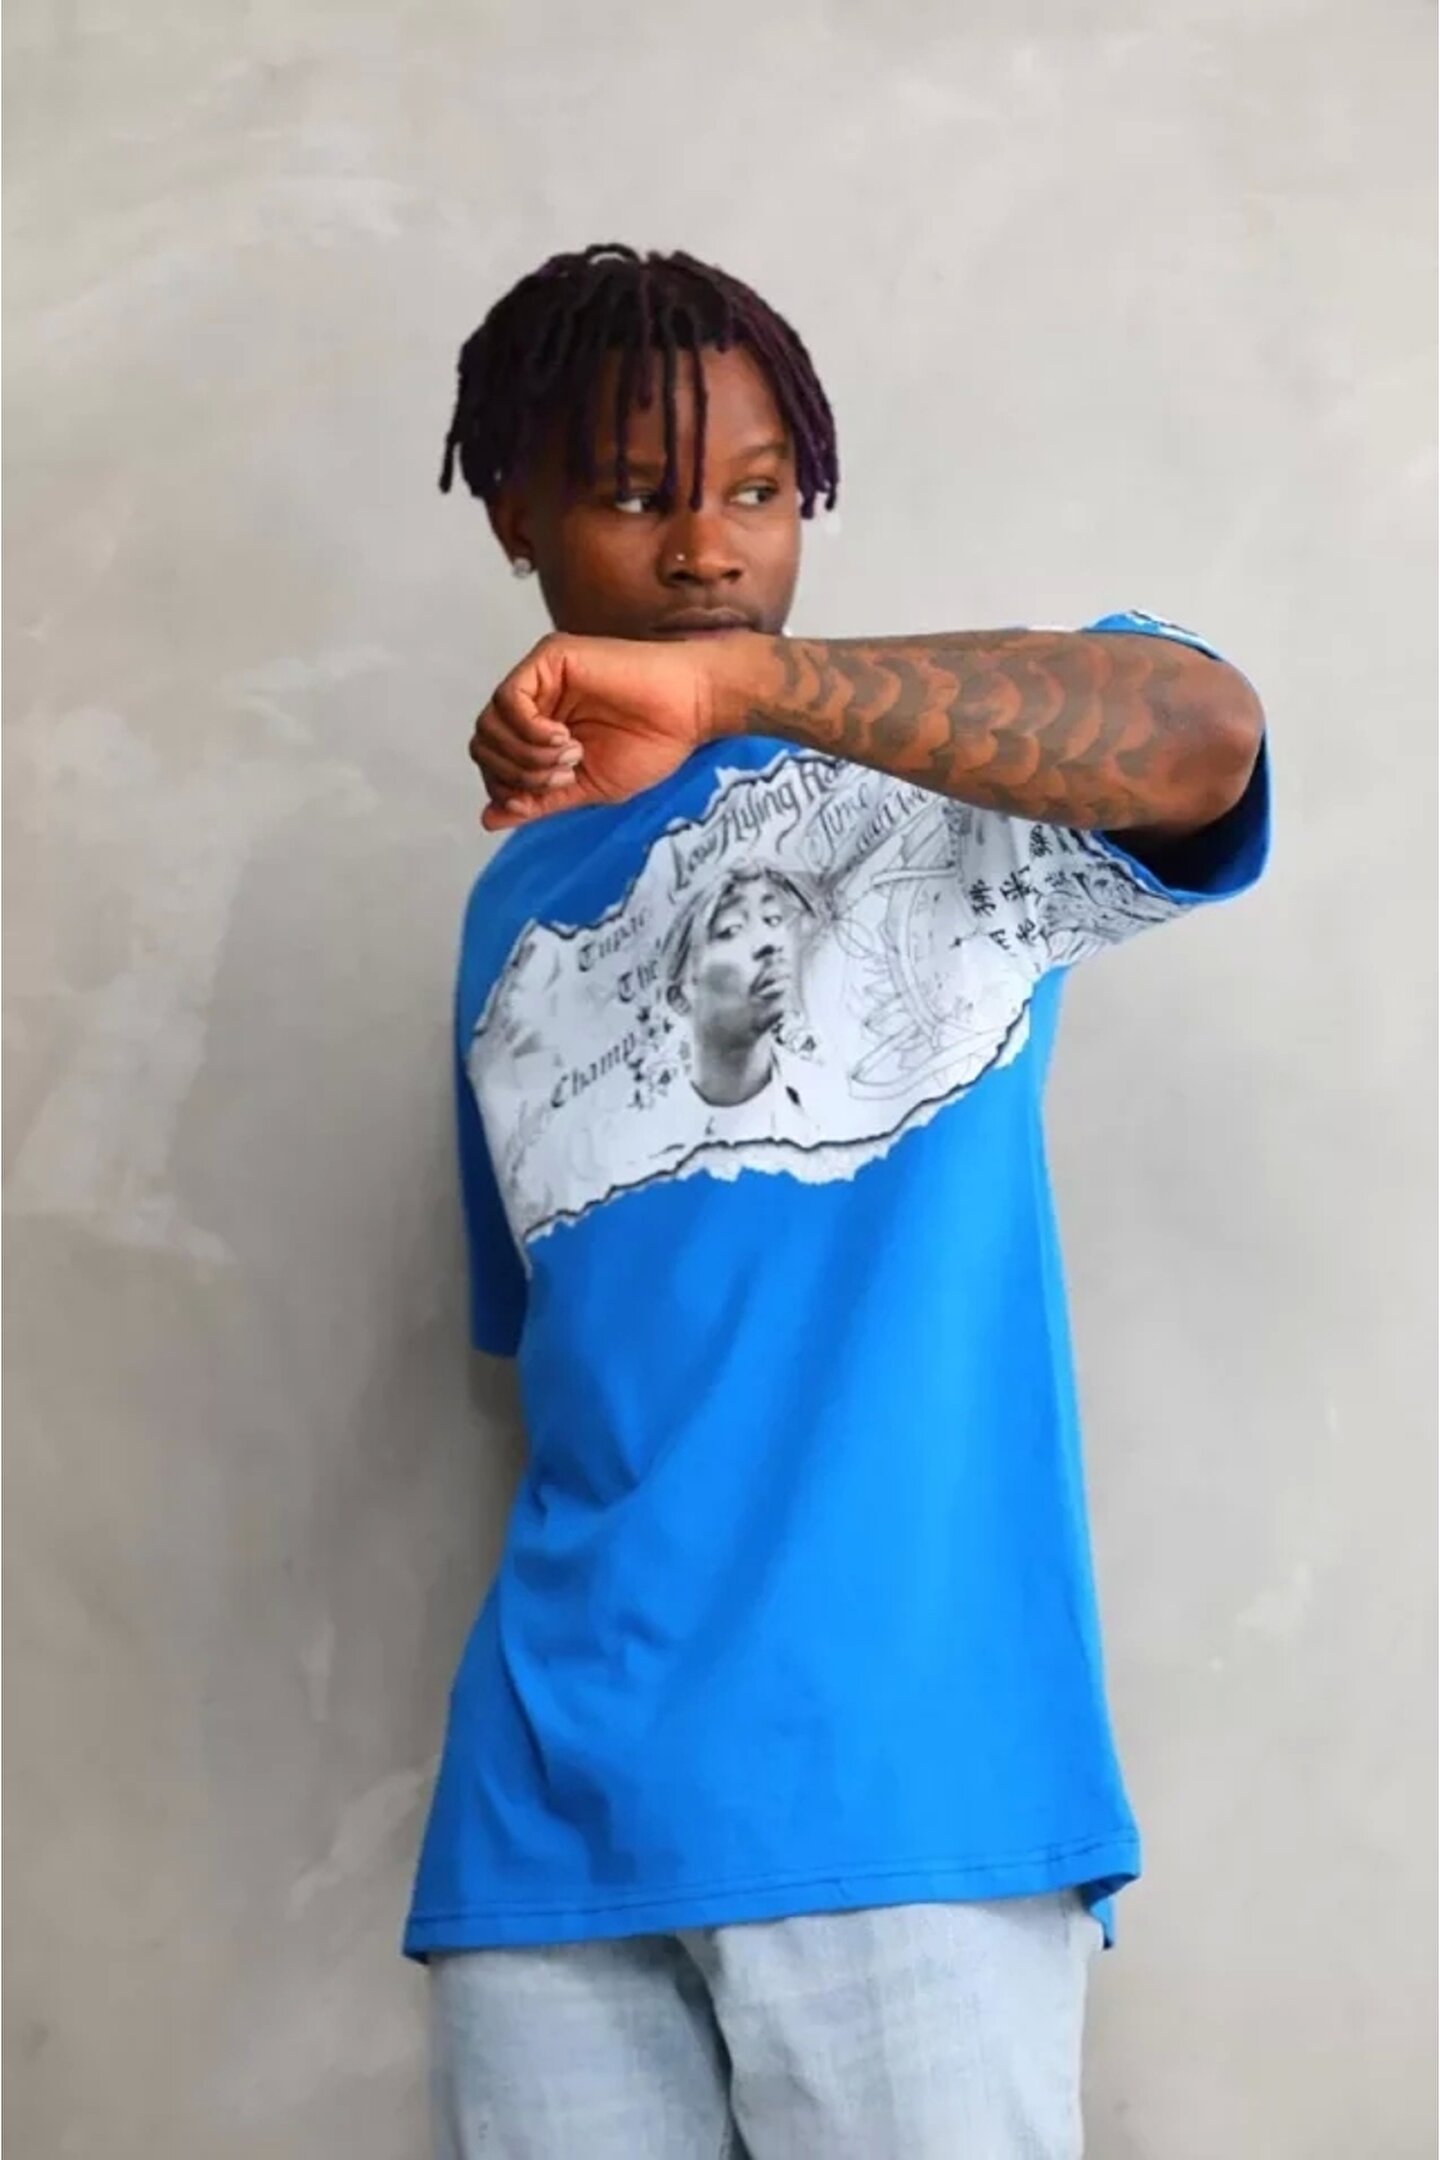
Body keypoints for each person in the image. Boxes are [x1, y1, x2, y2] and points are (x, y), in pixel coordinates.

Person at [407, 243, 1268, 2159]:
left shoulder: (925, 794)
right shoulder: (504, 921)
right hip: (546, 1829)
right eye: (636, 492)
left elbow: (1203, 736)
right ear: (516, 512)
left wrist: (739, 691)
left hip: (901, 1787)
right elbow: (587, 1383)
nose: (709, 547)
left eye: (759, 489)